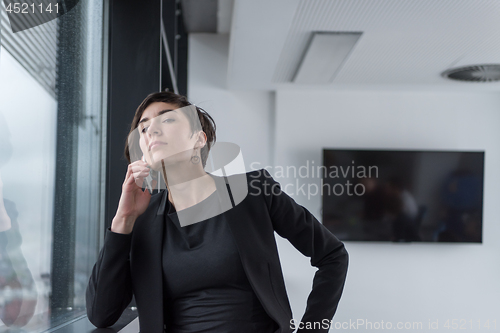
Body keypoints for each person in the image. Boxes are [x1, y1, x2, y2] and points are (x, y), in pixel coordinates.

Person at [86, 91, 349, 333]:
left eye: (166, 120)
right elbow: (101, 314)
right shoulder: (141, 219)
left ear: (199, 138)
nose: (151, 129)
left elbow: (332, 255)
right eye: (143, 127)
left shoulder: (253, 190)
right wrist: (123, 220)